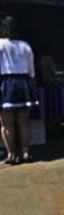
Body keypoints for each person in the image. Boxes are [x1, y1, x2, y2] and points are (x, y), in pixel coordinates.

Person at [0, 16, 38, 165]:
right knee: (23, 121)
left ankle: (11, 154)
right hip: (24, 82)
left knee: (6, 124)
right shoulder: (26, 45)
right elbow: (32, 71)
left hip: (5, 83)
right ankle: (26, 152)